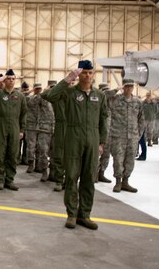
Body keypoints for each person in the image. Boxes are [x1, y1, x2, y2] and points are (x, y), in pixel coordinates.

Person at [41, 60, 108, 230]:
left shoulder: (99, 96)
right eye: (84, 72)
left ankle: (84, 215)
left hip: (92, 139)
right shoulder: (69, 93)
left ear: (93, 75)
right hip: (73, 137)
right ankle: (71, 214)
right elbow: (48, 96)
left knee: (88, 178)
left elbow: (103, 118)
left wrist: (101, 141)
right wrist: (67, 79)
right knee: (71, 176)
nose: (87, 75)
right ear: (79, 75)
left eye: (90, 72)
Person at [107, 79, 144, 193]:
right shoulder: (115, 99)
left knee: (130, 160)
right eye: (126, 86)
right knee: (118, 159)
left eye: (130, 87)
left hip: (132, 136)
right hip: (118, 135)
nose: (128, 89)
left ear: (133, 87)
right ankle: (118, 181)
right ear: (123, 87)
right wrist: (114, 90)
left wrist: (138, 135)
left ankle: (125, 181)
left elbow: (141, 119)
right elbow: (103, 97)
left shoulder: (137, 102)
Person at [25, 83, 54, 181]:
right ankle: (36, 166)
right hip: (38, 126)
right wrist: (44, 93)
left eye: (39, 89)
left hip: (50, 127)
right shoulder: (35, 98)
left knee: (48, 151)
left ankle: (47, 169)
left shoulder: (56, 98)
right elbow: (30, 103)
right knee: (35, 147)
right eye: (36, 89)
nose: (38, 90)